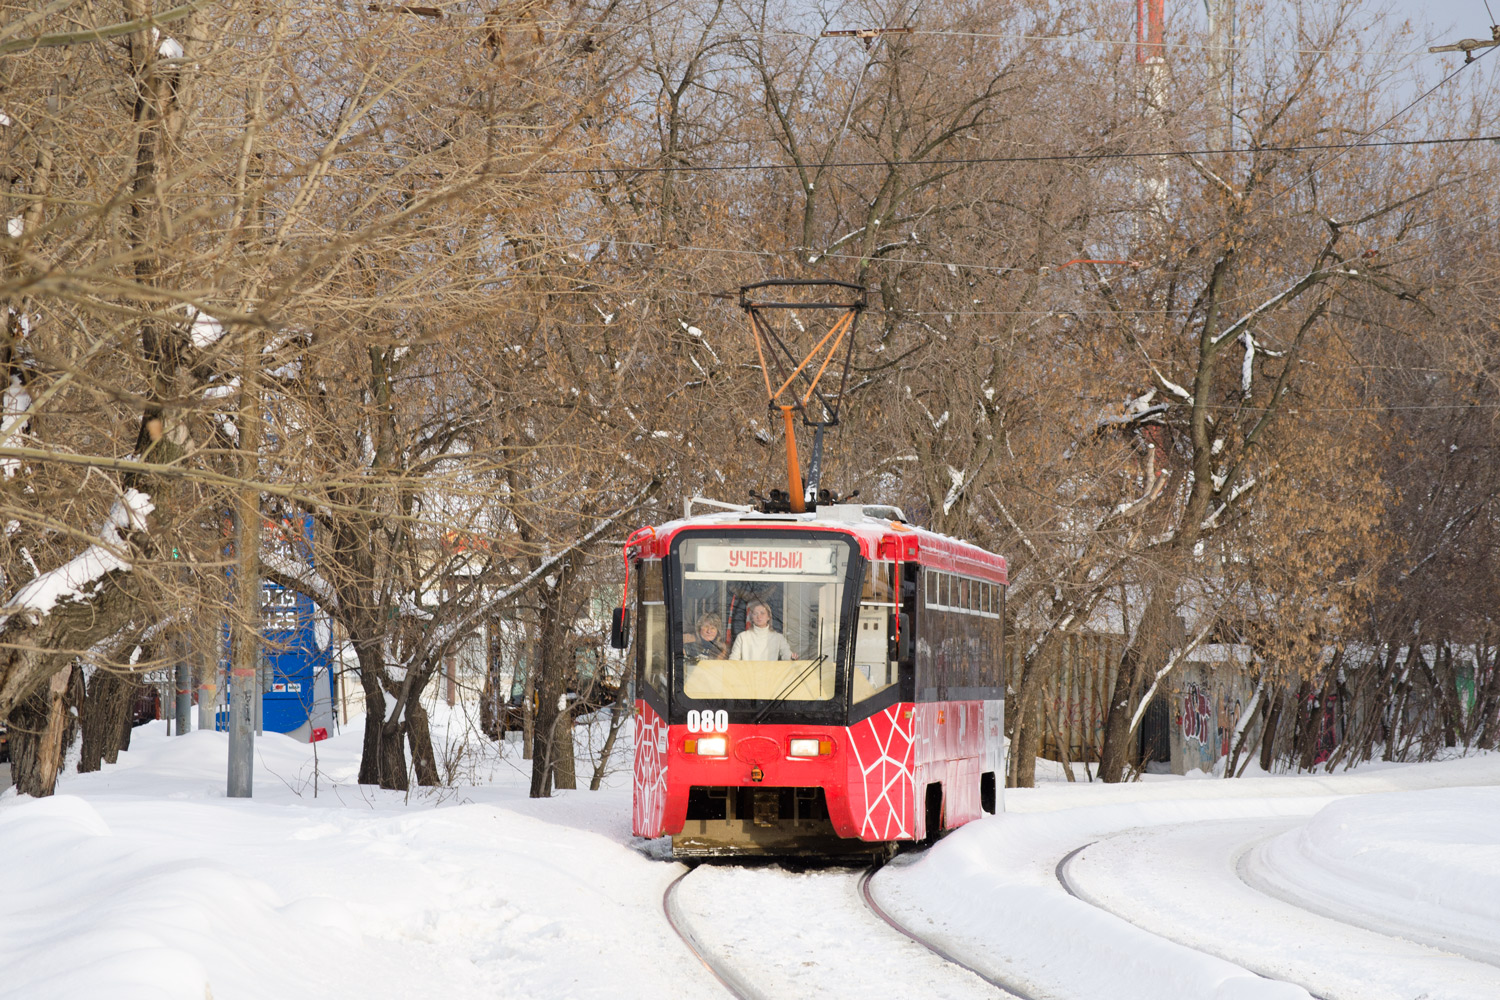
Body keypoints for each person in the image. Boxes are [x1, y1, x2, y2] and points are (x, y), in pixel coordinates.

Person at [728, 601, 795, 661]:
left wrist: (791, 657)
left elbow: (787, 655)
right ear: (752, 617)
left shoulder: (778, 638)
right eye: (755, 614)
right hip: (748, 674)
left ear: (768, 617)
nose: (759, 616)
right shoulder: (742, 637)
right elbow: (733, 660)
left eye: (762, 613)